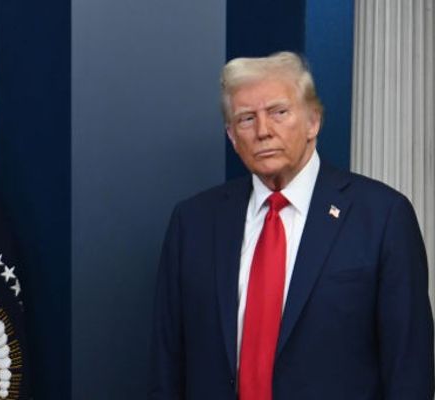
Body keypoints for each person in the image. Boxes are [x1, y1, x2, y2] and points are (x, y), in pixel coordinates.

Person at [150, 51, 432, 399]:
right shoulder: (192, 222)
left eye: (279, 112)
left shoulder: (382, 216)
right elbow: (167, 363)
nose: (263, 131)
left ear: (313, 121)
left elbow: (409, 369)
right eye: (246, 119)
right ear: (232, 136)